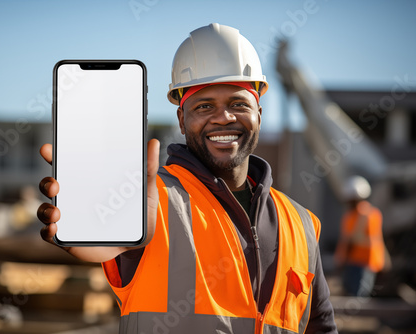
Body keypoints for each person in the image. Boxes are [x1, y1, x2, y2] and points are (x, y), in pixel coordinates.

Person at [38, 23, 337, 333]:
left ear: (258, 114)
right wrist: (89, 229)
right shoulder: (148, 197)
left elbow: (322, 327)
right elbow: (106, 244)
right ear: (182, 120)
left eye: (238, 104)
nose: (224, 117)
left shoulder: (302, 224)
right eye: (205, 106)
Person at [334, 176, 389, 297]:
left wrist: (341, 261)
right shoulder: (366, 214)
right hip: (357, 263)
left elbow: (353, 240)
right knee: (355, 296)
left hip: (362, 263)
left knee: (357, 297)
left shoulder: (364, 215)